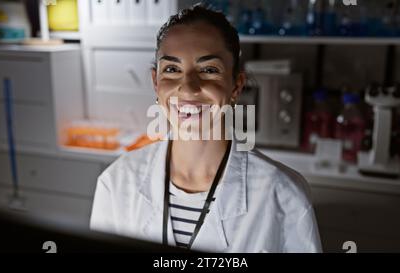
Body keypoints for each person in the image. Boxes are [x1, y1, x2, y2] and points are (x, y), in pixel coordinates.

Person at [90, 4, 322, 253]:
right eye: (172, 69)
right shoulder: (115, 184)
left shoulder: (283, 194)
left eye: (209, 70)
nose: (189, 88)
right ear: (156, 83)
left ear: (236, 86)